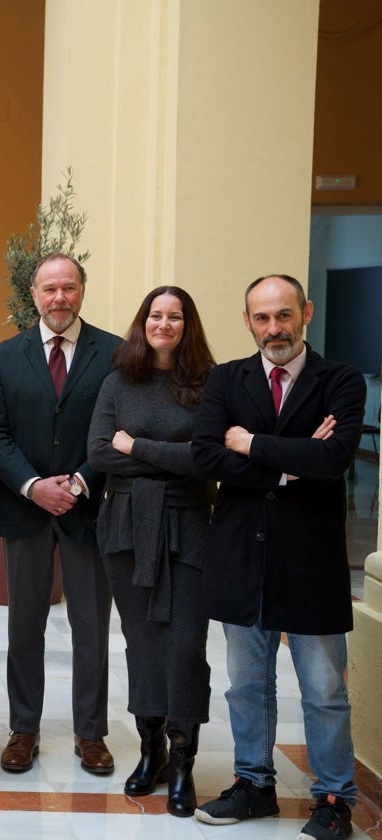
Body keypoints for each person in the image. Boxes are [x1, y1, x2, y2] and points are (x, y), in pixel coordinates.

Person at [193, 274, 365, 840]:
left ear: (306, 313)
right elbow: (207, 458)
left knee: (324, 690)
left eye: (284, 315)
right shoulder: (224, 379)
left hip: (311, 561)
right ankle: (254, 785)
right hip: (242, 556)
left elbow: (335, 457)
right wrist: (295, 462)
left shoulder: (340, 381)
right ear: (247, 321)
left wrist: (252, 444)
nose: (275, 329)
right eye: (262, 318)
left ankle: (335, 799)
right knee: (246, 686)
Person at [0, 252, 121, 775]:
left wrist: (81, 481)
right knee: (24, 626)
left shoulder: (113, 352)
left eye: (68, 287)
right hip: (26, 508)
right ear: (33, 294)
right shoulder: (6, 355)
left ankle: (91, 734)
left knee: (91, 626)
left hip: (90, 509)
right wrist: (35, 485)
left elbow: (116, 430)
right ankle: (24, 729)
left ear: (82, 290)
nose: (59, 297)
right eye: (49, 289)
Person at [86, 286, 216, 816]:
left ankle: (184, 761)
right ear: (143, 323)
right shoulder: (118, 382)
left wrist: (135, 447)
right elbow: (97, 453)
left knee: (185, 646)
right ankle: (151, 750)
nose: (164, 324)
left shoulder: (210, 385)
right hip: (125, 530)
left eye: (175, 316)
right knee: (141, 643)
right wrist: (170, 458)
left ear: (188, 325)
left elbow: (205, 460)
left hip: (188, 529)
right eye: (155, 315)